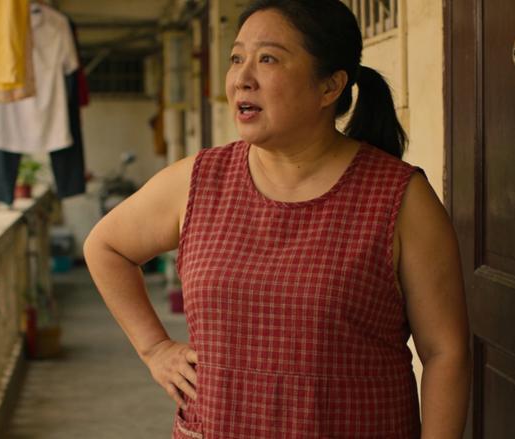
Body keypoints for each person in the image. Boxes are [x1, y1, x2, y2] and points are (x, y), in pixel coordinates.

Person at [84, 0, 471, 437]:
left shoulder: (399, 198)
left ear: (330, 86)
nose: (241, 79)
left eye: (268, 59)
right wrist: (154, 348)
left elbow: (445, 352)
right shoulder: (198, 181)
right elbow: (105, 247)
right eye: (236, 58)